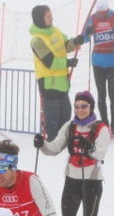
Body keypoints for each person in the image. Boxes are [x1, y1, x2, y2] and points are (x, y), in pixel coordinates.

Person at [35, 91, 113, 216]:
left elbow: (100, 154)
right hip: (72, 181)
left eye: (84, 106)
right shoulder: (70, 127)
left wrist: (89, 149)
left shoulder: (100, 128)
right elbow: (53, 149)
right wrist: (41, 144)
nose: (80, 110)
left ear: (91, 107)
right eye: (77, 106)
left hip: (92, 182)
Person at [76, 0, 114, 135]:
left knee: (112, 94)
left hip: (112, 62)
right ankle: (105, 123)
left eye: (104, 14)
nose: (102, 16)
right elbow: (85, 38)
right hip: (98, 62)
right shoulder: (92, 19)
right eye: (99, 14)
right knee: (101, 95)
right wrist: (87, 32)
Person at [30, 5, 79, 138]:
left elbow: (66, 45)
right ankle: (52, 145)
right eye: (48, 16)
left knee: (65, 116)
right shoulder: (37, 40)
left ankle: (63, 143)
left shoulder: (55, 31)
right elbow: (49, 62)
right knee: (52, 121)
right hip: (49, 85)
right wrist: (68, 63)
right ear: (40, 19)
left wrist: (76, 41)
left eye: (51, 15)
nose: (52, 18)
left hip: (62, 83)